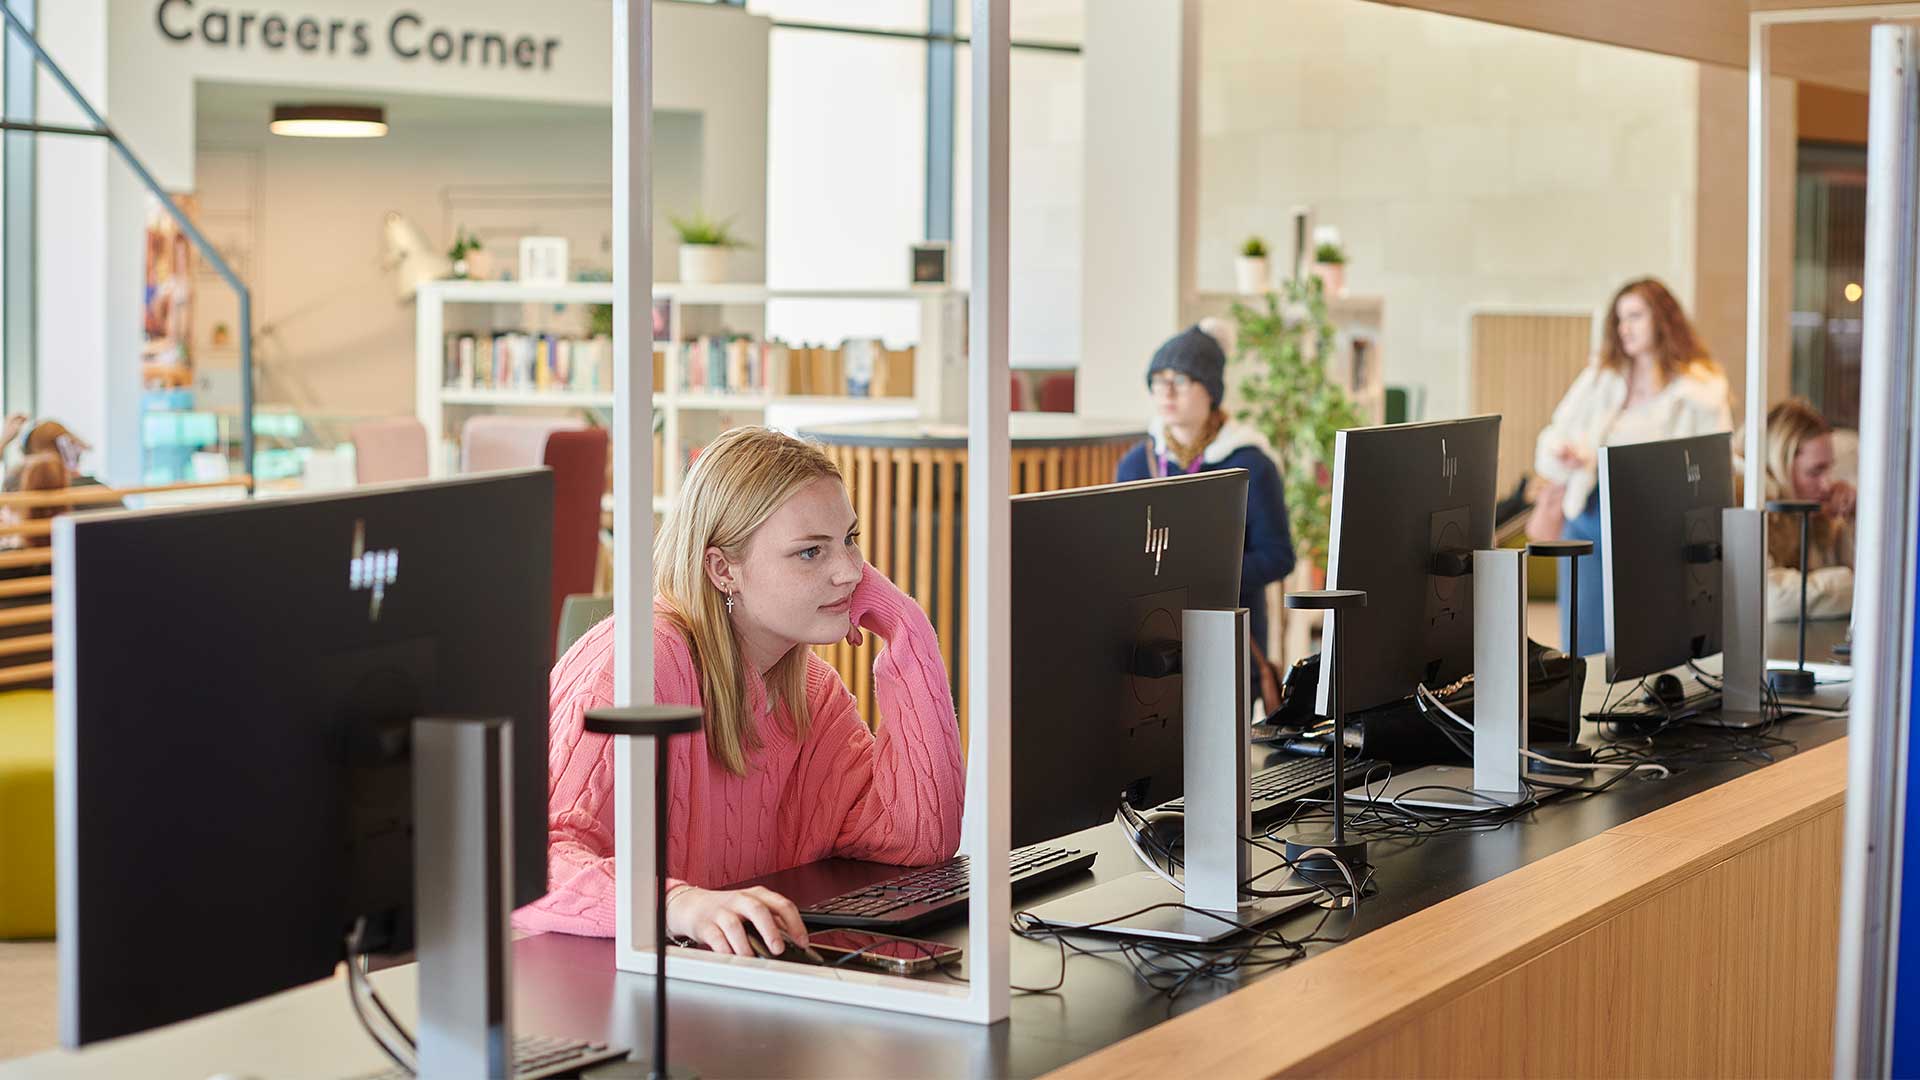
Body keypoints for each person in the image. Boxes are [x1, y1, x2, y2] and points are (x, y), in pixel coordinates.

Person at [515, 426, 964, 956]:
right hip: (584, 984)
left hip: (717, 980)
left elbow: (918, 839)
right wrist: (680, 904)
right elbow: (525, 861)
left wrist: (906, 626)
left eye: (849, 539)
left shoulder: (812, 690)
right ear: (723, 568)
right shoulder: (640, 662)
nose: (849, 571)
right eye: (809, 552)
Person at [1529, 278, 1734, 651]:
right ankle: (1583, 706)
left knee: (1647, 636)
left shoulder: (1699, 390)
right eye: (1620, 319)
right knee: (1586, 635)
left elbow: (1713, 465)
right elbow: (1554, 436)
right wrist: (1568, 453)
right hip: (1591, 516)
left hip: (1656, 523)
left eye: (1635, 316)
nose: (1625, 328)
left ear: (1662, 319)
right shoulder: (1601, 377)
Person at [1116, 322, 1295, 705]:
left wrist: (1205, 577)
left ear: (1210, 390)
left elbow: (1278, 556)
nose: (1165, 391)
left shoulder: (1248, 463)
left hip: (1228, 636)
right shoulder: (1136, 464)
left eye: (1180, 379)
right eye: (1158, 379)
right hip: (1154, 640)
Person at [1756, 397, 1854, 621]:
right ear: (1781, 466)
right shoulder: (1749, 508)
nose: (1827, 484)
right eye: (1815, 471)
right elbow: (1769, 599)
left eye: (1829, 468)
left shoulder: (1815, 516)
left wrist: (1855, 519)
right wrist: (1855, 583)